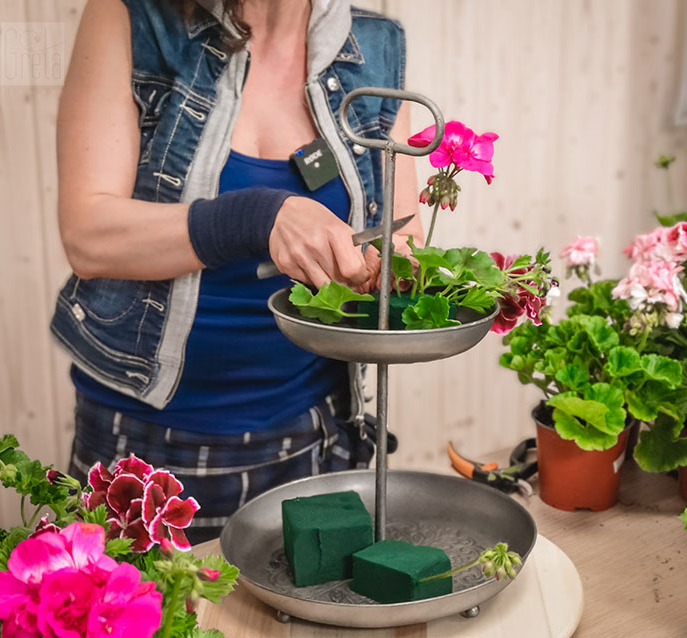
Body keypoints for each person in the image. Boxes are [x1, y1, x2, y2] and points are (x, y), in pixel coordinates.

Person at [50, 0, 421, 543]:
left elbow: (398, 236)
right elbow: (88, 235)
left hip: (318, 430)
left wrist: (387, 268)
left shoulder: (376, 46)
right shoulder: (134, 18)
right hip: (149, 447)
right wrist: (257, 215)